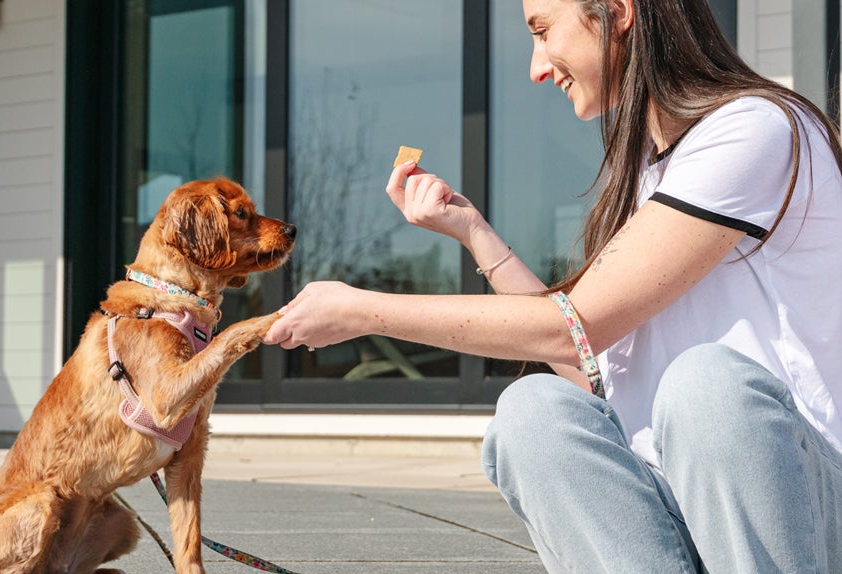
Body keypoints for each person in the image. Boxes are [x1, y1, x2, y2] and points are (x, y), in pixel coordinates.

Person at [264, 0, 842, 570]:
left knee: (705, 389)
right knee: (532, 412)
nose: (537, 67)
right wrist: (473, 232)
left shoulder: (754, 129)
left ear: (617, 12)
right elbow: (594, 357)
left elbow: (577, 327)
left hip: (799, 509)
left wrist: (365, 311)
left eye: (542, 30)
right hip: (683, 503)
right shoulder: (651, 173)